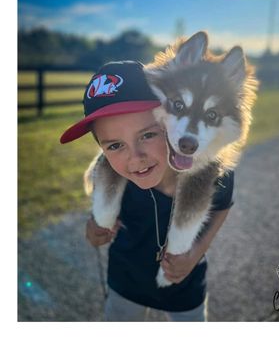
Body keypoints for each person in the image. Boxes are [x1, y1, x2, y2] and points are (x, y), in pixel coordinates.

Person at [60, 61, 234, 321]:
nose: (136, 159)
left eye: (147, 135)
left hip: (184, 282)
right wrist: (94, 230)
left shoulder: (209, 170)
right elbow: (97, 220)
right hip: (125, 281)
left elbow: (221, 207)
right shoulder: (111, 174)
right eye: (116, 146)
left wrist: (194, 254)